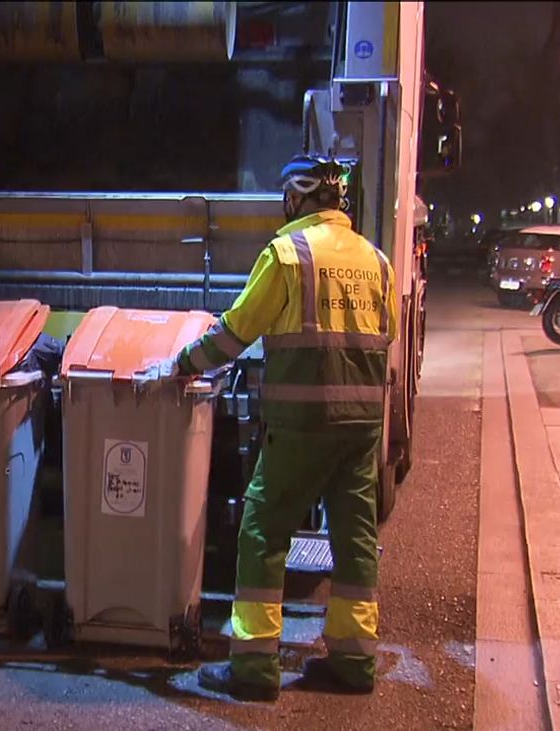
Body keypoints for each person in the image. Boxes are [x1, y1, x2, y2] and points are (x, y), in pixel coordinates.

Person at [137, 155, 397, 701]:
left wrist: (181, 365)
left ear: (296, 199)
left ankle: (254, 668)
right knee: (355, 538)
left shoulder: (287, 255)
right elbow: (386, 333)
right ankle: (353, 663)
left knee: (263, 530)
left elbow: (236, 331)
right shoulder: (378, 260)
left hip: (303, 423)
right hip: (363, 426)